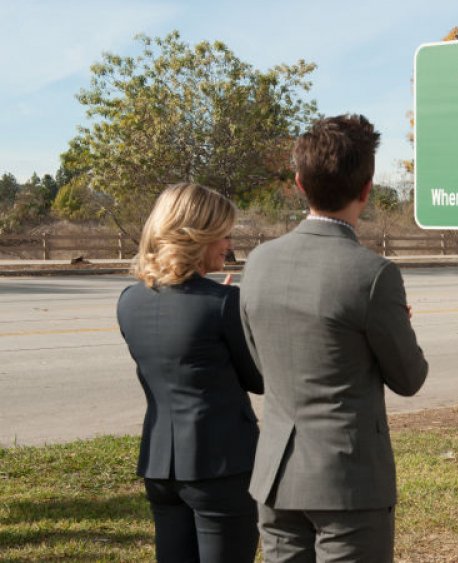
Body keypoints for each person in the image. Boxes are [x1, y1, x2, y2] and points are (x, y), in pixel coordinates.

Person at [240, 114, 428, 562]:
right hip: (348, 483)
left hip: (275, 475)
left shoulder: (258, 262)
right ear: (367, 190)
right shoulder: (373, 274)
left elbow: (263, 366)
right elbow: (409, 377)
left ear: (299, 183)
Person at [117, 183, 263, 563]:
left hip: (160, 468)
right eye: (225, 235)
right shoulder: (223, 303)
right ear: (198, 235)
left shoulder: (128, 301)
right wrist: (239, 316)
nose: (229, 246)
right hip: (222, 467)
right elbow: (259, 379)